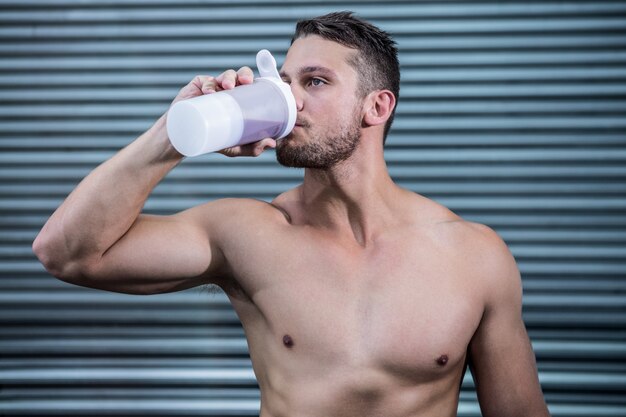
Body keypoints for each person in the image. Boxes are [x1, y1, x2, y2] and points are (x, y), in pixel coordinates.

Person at [33, 11, 550, 417]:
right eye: (284, 81)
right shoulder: (247, 235)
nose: (290, 100)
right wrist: (172, 135)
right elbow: (66, 253)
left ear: (377, 107)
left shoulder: (474, 255)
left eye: (315, 82)